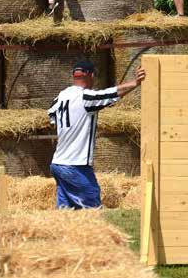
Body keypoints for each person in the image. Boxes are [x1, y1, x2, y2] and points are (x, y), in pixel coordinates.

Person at [47, 60, 145, 209]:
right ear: (91, 75)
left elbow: (52, 117)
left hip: (57, 164)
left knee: (66, 213)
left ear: (74, 76)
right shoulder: (85, 98)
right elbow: (110, 94)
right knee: (92, 209)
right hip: (75, 165)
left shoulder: (59, 98)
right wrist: (136, 83)